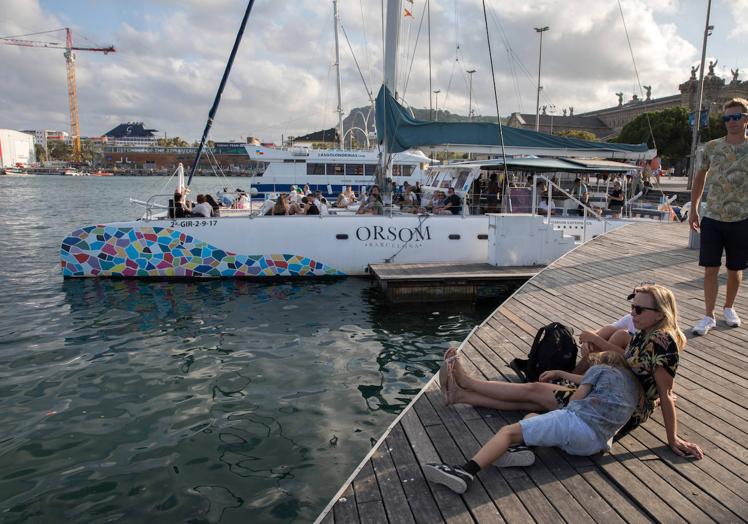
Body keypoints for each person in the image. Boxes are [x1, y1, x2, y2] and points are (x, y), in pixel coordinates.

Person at [440, 284, 703, 459]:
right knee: (534, 395)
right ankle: (462, 393)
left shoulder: (662, 342)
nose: (631, 312)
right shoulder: (646, 333)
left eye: (638, 309)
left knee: (534, 392)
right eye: (632, 306)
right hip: (611, 391)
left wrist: (673, 438)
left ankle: (465, 386)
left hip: (615, 406)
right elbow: (635, 367)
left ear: (660, 314)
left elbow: (666, 392)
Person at [425, 351, 642, 494]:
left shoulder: (601, 369)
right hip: (594, 445)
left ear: (606, 361)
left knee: (507, 432)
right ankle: (520, 451)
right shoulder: (633, 387)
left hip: (577, 424)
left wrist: (578, 395)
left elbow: (575, 402)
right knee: (531, 418)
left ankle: (465, 472)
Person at [689, 97, 748, 335]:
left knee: (735, 269)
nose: (731, 122)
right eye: (727, 118)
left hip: (742, 218)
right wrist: (693, 207)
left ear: (746, 119)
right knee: (710, 269)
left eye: (736, 117)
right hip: (712, 217)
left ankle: (729, 307)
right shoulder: (712, 147)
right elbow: (700, 178)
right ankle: (708, 315)